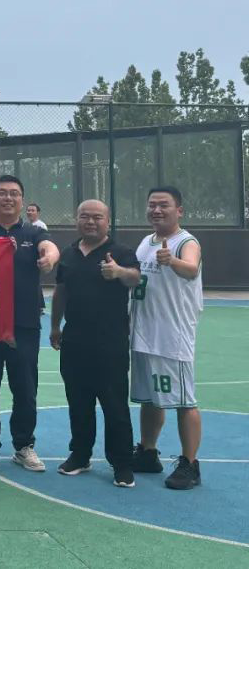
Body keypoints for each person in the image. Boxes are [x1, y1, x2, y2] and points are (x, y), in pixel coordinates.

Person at [0, 175, 60, 472]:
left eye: (14, 193)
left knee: (25, 388)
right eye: (2, 193)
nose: (8, 198)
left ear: (22, 199)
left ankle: (24, 445)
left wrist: (49, 258)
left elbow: (50, 248)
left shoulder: (34, 232)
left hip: (24, 323)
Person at [49, 200, 140, 487]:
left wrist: (119, 272)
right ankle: (80, 455)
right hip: (74, 341)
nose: (90, 222)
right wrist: (55, 326)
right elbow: (61, 292)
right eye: (85, 216)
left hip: (110, 343)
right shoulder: (69, 254)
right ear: (76, 220)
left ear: (108, 222)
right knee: (78, 402)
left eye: (97, 217)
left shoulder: (122, 253)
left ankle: (122, 463)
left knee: (115, 405)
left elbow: (135, 278)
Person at [129, 186, 204, 491]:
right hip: (143, 334)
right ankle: (148, 452)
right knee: (150, 398)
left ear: (179, 210)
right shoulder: (146, 242)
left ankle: (190, 463)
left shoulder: (186, 242)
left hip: (172, 337)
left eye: (164, 205)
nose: (157, 210)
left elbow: (191, 268)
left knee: (184, 401)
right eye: (152, 205)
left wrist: (171, 261)